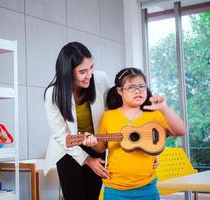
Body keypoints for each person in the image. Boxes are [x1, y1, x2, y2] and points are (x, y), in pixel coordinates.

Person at [83, 67, 186, 200]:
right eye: (131, 87)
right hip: (115, 188)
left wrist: (164, 108)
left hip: (147, 187)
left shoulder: (154, 115)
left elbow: (181, 130)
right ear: (120, 91)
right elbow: (101, 147)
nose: (138, 91)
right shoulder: (108, 116)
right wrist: (93, 143)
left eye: (141, 86)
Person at [43, 41, 111, 200]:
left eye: (91, 68)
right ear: (68, 72)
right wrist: (88, 160)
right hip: (67, 151)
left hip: (96, 145)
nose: (89, 75)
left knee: (92, 196)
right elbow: (61, 136)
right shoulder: (53, 93)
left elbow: (112, 115)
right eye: (82, 71)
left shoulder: (100, 79)